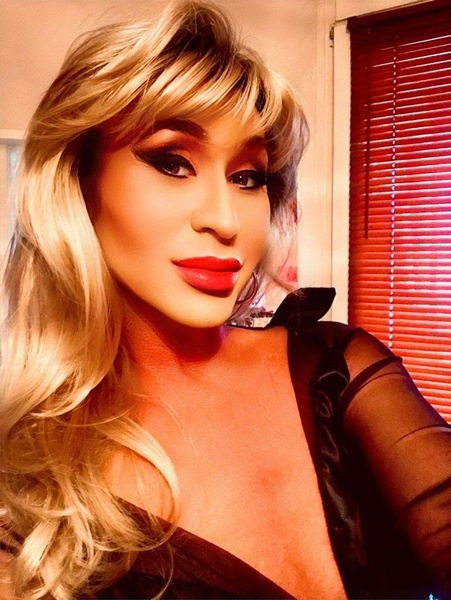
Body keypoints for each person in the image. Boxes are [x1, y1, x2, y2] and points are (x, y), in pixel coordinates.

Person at [0, 1, 450, 598]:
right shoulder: (27, 484)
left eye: (247, 177)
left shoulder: (336, 370)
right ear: (81, 185)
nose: (225, 220)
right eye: (172, 162)